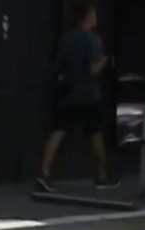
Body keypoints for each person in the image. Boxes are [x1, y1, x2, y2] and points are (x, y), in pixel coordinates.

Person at [35, 0, 120, 193]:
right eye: (94, 14)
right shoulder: (93, 39)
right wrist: (105, 61)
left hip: (68, 93)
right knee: (95, 134)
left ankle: (44, 173)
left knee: (58, 132)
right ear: (88, 16)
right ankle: (101, 175)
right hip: (88, 95)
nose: (96, 18)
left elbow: (57, 67)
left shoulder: (66, 40)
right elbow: (93, 69)